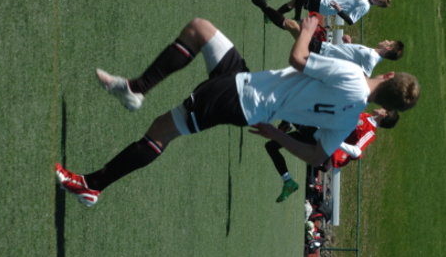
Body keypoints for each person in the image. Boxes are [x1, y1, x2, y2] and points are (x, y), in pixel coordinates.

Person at [55, 11, 420, 207]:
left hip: (240, 97)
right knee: (200, 29)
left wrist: (308, 29)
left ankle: (92, 185)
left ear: (388, 75)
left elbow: (298, 59)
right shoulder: (350, 118)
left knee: (162, 130)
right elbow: (316, 156)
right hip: (249, 89)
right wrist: (276, 133)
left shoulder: (354, 77)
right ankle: (136, 89)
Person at [251, 0, 403, 77]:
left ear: (388, 48)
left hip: (321, 54)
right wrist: (348, 43)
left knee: (293, 24)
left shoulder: (371, 59)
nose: (386, 40)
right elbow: (350, 58)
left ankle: (261, 3)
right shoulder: (372, 53)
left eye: (389, 42)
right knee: (292, 25)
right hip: (323, 48)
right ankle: (263, 5)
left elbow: (362, 79)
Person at [266, 108, 397, 202]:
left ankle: (284, 122)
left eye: (384, 108)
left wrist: (336, 141)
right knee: (271, 146)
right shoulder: (365, 116)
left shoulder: (370, 132)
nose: (381, 107)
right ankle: (288, 181)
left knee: (291, 109)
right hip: (318, 135)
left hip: (322, 144)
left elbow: (357, 151)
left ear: (384, 114)